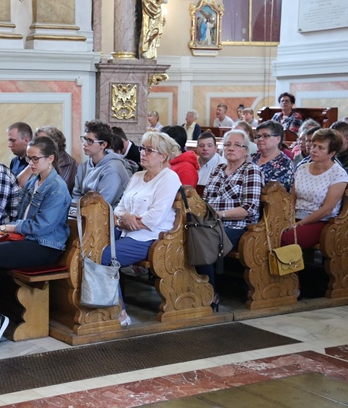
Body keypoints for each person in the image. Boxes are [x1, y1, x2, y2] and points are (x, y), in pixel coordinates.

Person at [0, 136, 71, 350]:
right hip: (27, 239)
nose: (30, 164)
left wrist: (5, 229)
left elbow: (41, 226)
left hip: (45, 246)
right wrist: (4, 233)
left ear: (50, 158)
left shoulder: (57, 187)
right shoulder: (35, 181)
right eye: (28, 159)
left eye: (35, 159)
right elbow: (20, 215)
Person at [103, 132, 181, 326]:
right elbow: (119, 208)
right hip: (126, 230)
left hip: (151, 238)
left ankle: (119, 312)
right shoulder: (137, 176)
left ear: (163, 156)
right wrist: (125, 218)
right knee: (90, 244)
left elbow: (154, 219)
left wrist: (125, 219)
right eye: (142, 148)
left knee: (104, 256)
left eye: (149, 150)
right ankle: (96, 304)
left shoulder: (169, 178)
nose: (143, 153)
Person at [200, 130, 263, 306]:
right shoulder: (218, 169)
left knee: (203, 241)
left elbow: (249, 208)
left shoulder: (251, 170)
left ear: (246, 150)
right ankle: (192, 289)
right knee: (186, 236)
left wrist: (220, 215)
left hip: (238, 226)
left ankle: (210, 292)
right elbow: (205, 199)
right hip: (210, 223)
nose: (231, 148)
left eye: (237, 145)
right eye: (227, 144)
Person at [282, 129, 348, 249]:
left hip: (321, 221)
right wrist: (289, 219)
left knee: (286, 239)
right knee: (269, 233)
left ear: (332, 153)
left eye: (320, 148)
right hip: (295, 216)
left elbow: (327, 209)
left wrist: (299, 224)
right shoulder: (302, 168)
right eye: (314, 145)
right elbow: (292, 198)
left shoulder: (338, 174)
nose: (314, 150)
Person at [72, 120, 130, 208]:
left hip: (107, 214)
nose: (84, 144)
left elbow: (102, 204)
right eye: (84, 139)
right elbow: (76, 194)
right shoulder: (83, 166)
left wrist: (81, 206)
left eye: (90, 141)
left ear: (103, 145)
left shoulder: (113, 169)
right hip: (83, 211)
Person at [252, 121, 294, 192]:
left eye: (265, 136)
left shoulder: (284, 164)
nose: (260, 139)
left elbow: (275, 192)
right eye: (258, 137)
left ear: (278, 139)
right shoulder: (251, 158)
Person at [35, 126, 78, 192]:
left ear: (55, 143)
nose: (37, 145)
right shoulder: (41, 159)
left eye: (42, 141)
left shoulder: (67, 163)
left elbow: (56, 189)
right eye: (37, 141)